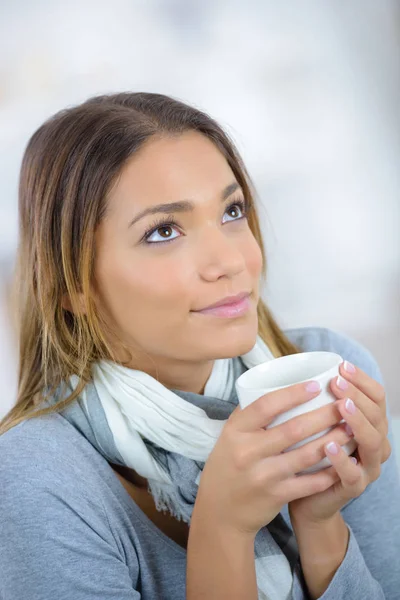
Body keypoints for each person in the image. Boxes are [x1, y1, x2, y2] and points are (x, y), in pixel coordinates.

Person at [0, 92, 398, 600]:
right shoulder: (38, 478)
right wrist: (223, 530)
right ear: (72, 288)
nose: (229, 261)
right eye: (163, 231)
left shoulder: (331, 376)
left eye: (232, 212)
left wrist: (321, 524)